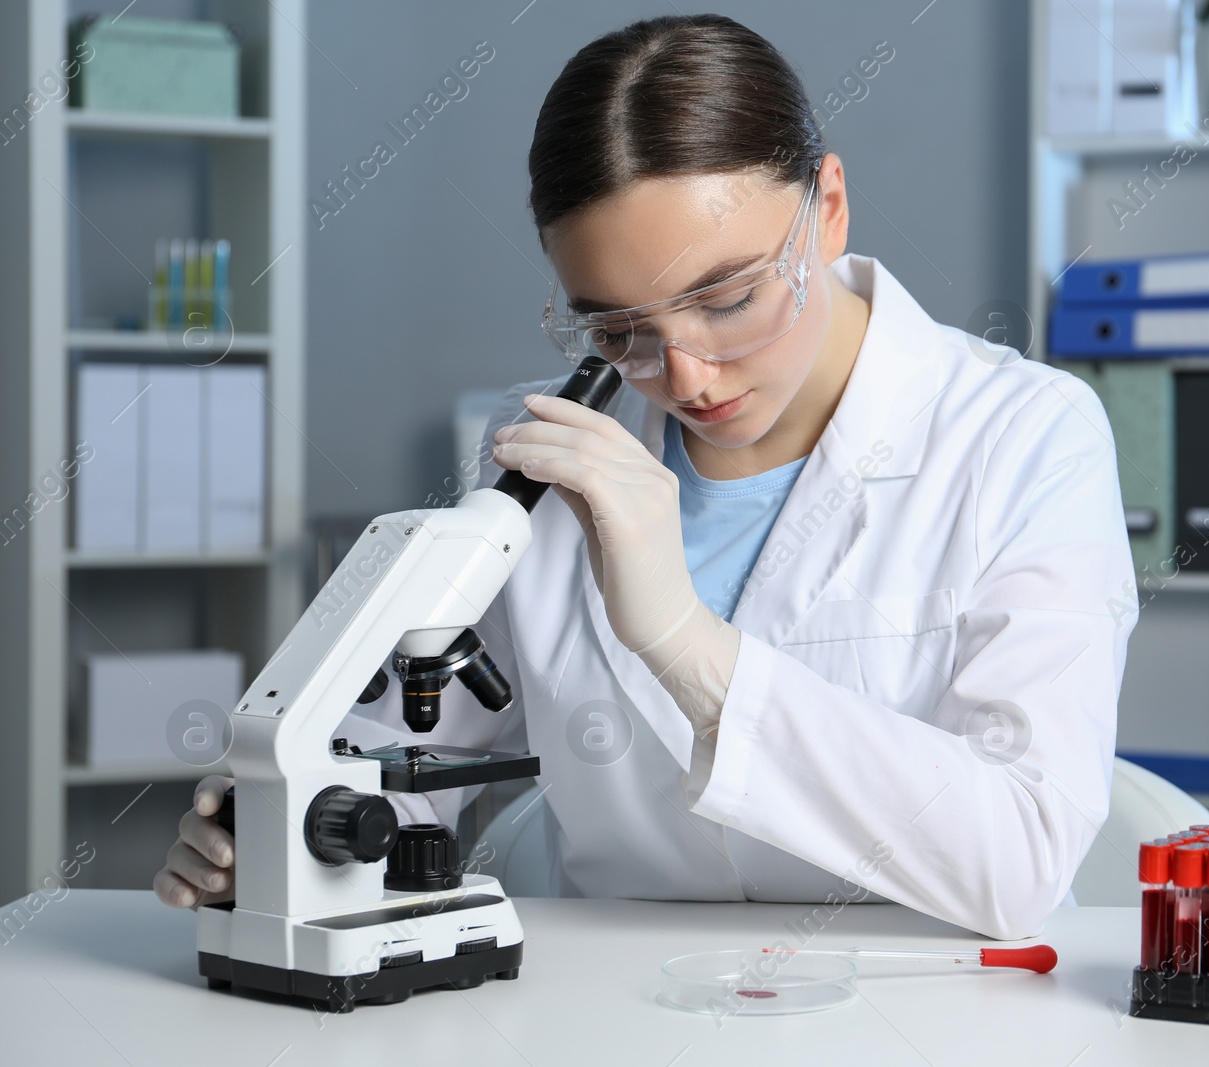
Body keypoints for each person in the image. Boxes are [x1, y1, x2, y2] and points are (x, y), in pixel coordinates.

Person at [154, 13, 1135, 940]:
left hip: (916, 1005)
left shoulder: (1023, 436)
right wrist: (290, 823)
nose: (686, 375)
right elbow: (423, 752)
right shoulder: (545, 447)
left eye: (731, 296)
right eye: (619, 329)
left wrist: (685, 643)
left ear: (827, 209)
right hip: (608, 1000)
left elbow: (1020, 853)